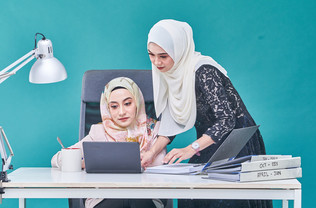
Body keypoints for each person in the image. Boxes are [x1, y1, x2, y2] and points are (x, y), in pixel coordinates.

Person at [141, 19, 272, 208]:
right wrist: (151, 152)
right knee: (192, 193)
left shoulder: (204, 70)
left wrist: (189, 149)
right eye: (151, 55)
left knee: (225, 199)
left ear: (179, 50)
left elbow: (226, 120)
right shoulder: (170, 73)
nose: (156, 62)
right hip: (207, 141)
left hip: (236, 140)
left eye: (163, 56)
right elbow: (171, 120)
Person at [51, 77, 166, 208]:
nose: (121, 112)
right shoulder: (99, 132)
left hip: (145, 196)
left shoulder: (156, 130)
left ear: (138, 103)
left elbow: (162, 171)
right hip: (105, 197)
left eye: (128, 103)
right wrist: (82, 163)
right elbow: (56, 159)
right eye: (114, 106)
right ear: (107, 109)